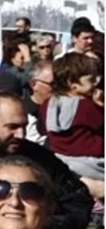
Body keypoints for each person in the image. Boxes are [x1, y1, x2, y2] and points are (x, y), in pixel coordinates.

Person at [0, 91, 95, 229]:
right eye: (12, 127)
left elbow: (76, 199)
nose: (20, 135)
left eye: (24, 126)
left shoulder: (40, 159)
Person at [42, 52, 103, 181]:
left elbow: (42, 127)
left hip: (59, 157)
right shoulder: (86, 106)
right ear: (72, 83)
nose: (94, 84)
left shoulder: (49, 103)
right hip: (90, 161)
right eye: (90, 80)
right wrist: (101, 105)